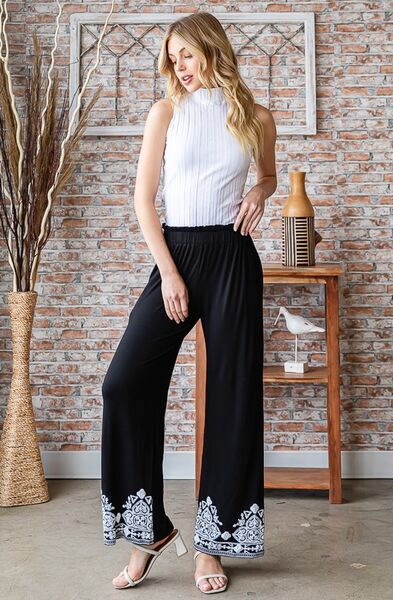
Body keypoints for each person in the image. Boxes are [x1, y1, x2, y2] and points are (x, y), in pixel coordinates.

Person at [100, 11, 277, 594]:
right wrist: (170, 275)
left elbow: (269, 176)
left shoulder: (256, 117)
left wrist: (259, 190)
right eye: (172, 56)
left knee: (231, 397)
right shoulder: (165, 113)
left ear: (212, 51)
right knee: (124, 383)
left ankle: (211, 547)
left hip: (232, 259)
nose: (178, 65)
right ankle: (147, 531)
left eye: (187, 54)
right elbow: (143, 201)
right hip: (176, 254)